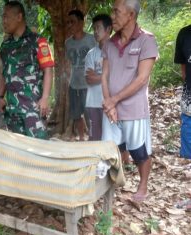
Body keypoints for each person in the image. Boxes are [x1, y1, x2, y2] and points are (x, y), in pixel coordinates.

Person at [101, 0, 158, 201]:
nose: (112, 16)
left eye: (116, 12)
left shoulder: (146, 41)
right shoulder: (109, 43)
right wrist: (109, 102)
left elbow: (142, 79)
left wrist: (113, 100)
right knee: (111, 148)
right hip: (111, 109)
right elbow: (104, 75)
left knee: (139, 151)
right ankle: (111, 186)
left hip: (134, 109)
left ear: (131, 15)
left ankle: (142, 187)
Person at [0, 1, 54, 139]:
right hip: (12, 109)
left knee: (39, 148)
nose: (3, 21)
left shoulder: (38, 41)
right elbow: (4, 73)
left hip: (33, 108)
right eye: (2, 17)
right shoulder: (5, 45)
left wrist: (45, 98)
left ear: (19, 17)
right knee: (19, 150)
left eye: (6, 17)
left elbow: (48, 69)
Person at [65, 9, 96, 141]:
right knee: (77, 115)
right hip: (74, 84)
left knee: (90, 114)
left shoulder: (91, 40)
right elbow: (68, 63)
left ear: (81, 23)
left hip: (88, 84)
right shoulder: (68, 43)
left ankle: (93, 138)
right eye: (68, 23)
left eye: (73, 22)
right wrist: (68, 79)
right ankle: (82, 138)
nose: (70, 25)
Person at [84, 14, 112, 141]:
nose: (95, 32)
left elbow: (118, 76)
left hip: (111, 103)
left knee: (112, 139)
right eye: (94, 28)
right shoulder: (91, 54)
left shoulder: (116, 51)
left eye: (98, 28)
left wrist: (98, 76)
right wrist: (107, 75)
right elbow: (89, 78)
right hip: (93, 102)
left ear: (108, 29)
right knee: (94, 138)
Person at [174, 24, 191, 159]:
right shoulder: (185, 33)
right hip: (189, 89)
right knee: (188, 122)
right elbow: (183, 66)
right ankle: (187, 157)